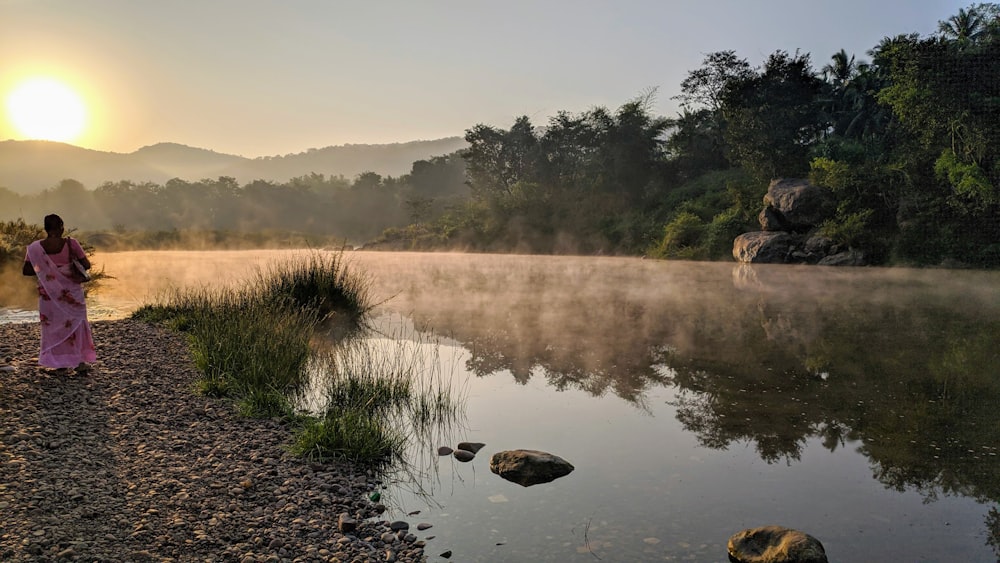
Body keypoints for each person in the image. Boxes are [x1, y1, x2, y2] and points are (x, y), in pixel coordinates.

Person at [22, 214, 97, 375]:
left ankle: (60, 365)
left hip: (48, 294)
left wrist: (47, 271)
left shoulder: (35, 248)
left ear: (45, 229)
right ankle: (80, 362)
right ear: (62, 227)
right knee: (76, 324)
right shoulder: (72, 243)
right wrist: (65, 268)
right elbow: (86, 264)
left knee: (53, 326)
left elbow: (27, 270)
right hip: (72, 293)